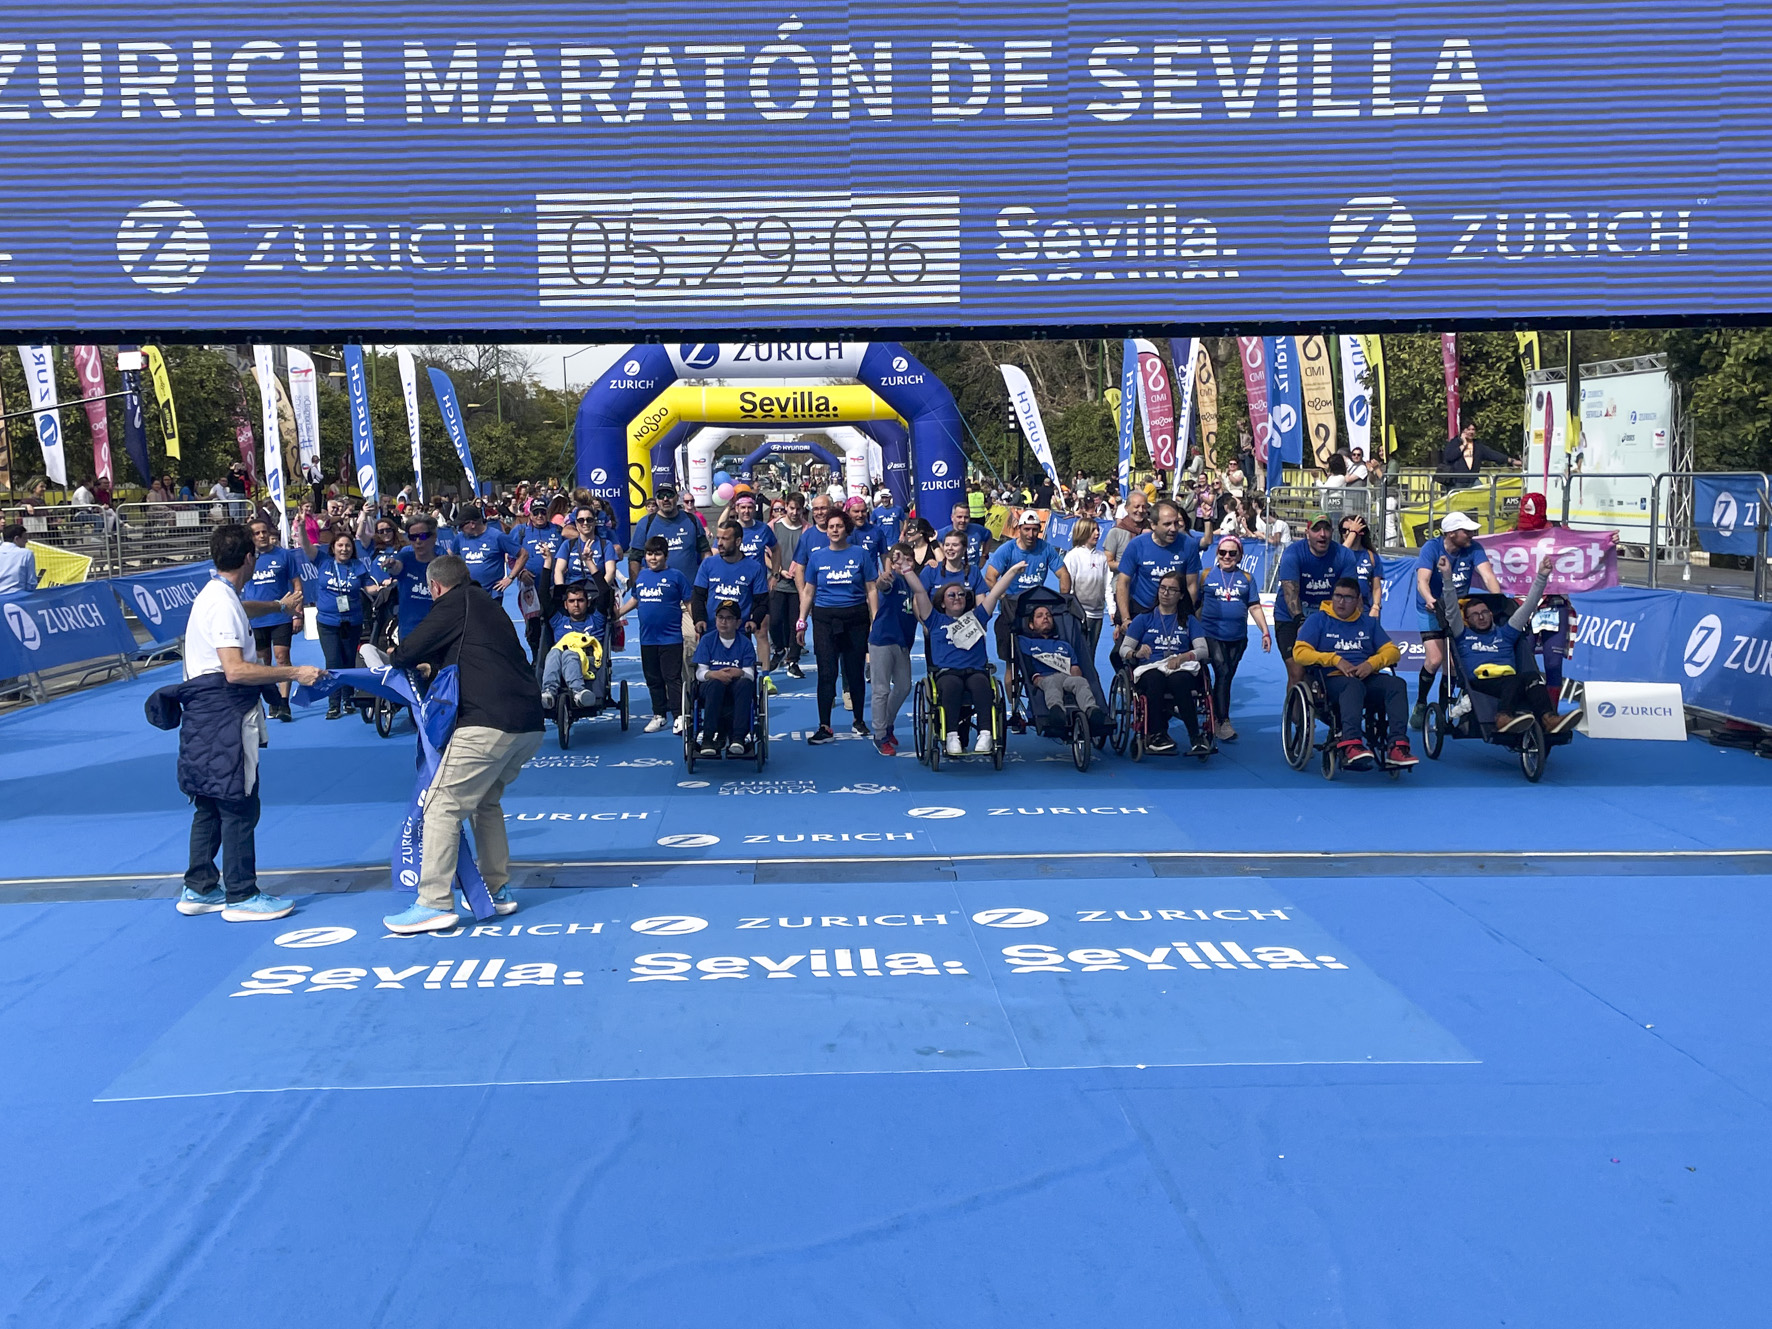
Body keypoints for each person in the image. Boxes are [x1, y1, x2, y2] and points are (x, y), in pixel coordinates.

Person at [160, 522, 319, 922]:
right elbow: (235, 670)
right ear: (250, 558)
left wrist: (278, 607)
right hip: (225, 714)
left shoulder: (215, 594)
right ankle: (241, 894)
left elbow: (239, 611)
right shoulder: (224, 602)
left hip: (203, 715)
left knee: (209, 802)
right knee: (239, 804)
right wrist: (294, 672)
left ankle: (199, 887)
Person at [383, 554, 545, 935]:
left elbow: (408, 650)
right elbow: (471, 654)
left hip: (486, 722)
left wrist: (389, 657)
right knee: (485, 802)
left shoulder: (453, 603)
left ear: (436, 587)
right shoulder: (487, 604)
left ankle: (434, 903)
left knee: (441, 807)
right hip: (529, 724)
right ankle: (496, 888)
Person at [1439, 553, 1579, 734]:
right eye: (1475, 614)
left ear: (1491, 614)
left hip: (1510, 681)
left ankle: (1549, 719)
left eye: (1485, 612)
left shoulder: (1505, 632)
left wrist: (1542, 576)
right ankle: (1502, 718)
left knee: (1533, 679)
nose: (1481, 617)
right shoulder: (1462, 633)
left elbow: (1529, 605)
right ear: (1467, 619)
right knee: (1513, 680)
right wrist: (1447, 577)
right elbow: (1451, 609)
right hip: (1481, 682)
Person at [1291, 576, 1417, 770]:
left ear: (1358, 601)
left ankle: (1397, 746)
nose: (1341, 602)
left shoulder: (1368, 623)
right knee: (1352, 686)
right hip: (1331, 681)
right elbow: (1299, 653)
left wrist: (1371, 663)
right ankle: (1351, 744)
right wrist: (1334, 659)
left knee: (1396, 684)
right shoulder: (1318, 620)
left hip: (1366, 676)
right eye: (1338, 596)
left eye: (1348, 597)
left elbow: (1392, 651)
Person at [910, 558, 1025, 756]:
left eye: (961, 594)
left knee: (982, 685)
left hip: (976, 671)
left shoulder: (977, 616)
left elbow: (996, 592)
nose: (957, 597)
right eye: (951, 595)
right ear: (942, 602)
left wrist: (1012, 572)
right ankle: (952, 735)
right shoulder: (935, 619)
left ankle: (985, 734)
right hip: (947, 673)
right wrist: (906, 570)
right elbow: (920, 591)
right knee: (951, 686)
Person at [796, 509, 879, 744]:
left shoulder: (860, 555)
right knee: (827, 673)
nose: (834, 530)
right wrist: (801, 620)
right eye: (831, 526)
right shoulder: (818, 557)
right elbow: (809, 590)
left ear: (847, 529)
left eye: (839, 526)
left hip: (855, 618)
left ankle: (859, 720)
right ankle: (824, 726)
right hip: (824, 620)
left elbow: (871, 589)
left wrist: (876, 620)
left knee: (854, 673)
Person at [1412, 510, 1502, 727]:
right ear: (1451, 533)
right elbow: (1422, 580)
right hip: (1430, 608)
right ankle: (1421, 702)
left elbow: (1488, 576)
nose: (1472, 534)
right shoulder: (1432, 548)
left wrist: (1497, 601)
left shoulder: (1474, 548)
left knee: (1451, 666)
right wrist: (1430, 599)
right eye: (1467, 531)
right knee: (1434, 660)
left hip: (1457, 608)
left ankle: (1443, 712)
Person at [1122, 570, 1211, 756]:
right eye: (1162, 588)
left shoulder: (1189, 621)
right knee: (1155, 679)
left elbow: (1203, 650)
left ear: (1180, 595)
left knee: (1179, 681)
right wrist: (1137, 652)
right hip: (1151, 667)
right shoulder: (1144, 619)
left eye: (1172, 590)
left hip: (1180, 667)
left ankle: (1196, 738)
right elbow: (1124, 649)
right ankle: (1157, 734)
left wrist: (1183, 657)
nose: (1165, 593)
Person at [302, 527, 387, 719]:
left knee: (348, 662)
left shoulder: (358, 566)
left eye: (348, 545)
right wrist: (299, 528)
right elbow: (306, 546)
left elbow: (369, 587)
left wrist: (382, 586)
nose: (344, 549)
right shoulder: (323, 561)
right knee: (333, 662)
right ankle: (334, 704)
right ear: (333, 548)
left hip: (352, 622)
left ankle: (348, 700)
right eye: (340, 545)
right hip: (327, 622)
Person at [985, 511, 1072, 700]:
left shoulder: (1046, 549)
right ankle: (1013, 706)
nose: (1031, 535)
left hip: (1036, 614)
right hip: (1012, 613)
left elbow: (1063, 574)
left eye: (1035, 530)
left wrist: (1064, 598)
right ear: (1019, 530)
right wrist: (1004, 597)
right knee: (1012, 664)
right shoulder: (1007, 550)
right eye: (1027, 530)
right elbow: (990, 577)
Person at [1197, 536, 1270, 741]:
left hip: (1237, 637)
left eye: (1232, 553)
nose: (1227, 557)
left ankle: (1216, 713)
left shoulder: (1247, 578)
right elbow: (1195, 605)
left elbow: (1254, 606)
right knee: (1222, 669)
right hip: (1211, 633)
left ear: (1239, 556)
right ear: (1217, 554)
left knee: (1226, 678)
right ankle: (1223, 721)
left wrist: (1265, 631)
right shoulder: (1206, 575)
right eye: (1222, 553)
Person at [1274, 515, 1359, 688]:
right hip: (1290, 617)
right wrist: (1301, 622)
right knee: (1297, 671)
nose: (1322, 534)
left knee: (1335, 668)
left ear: (1332, 532)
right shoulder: (1293, 553)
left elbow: (1350, 593)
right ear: (1307, 533)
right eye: (1316, 530)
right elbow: (1290, 593)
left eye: (1326, 529)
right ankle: (1294, 713)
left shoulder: (1344, 555)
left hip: (1325, 616)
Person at [618, 536, 691, 734]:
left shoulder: (677, 576)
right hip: (647, 639)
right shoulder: (641, 577)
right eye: (649, 554)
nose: (653, 558)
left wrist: (697, 625)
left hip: (671, 639)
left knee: (672, 678)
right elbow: (635, 599)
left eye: (657, 554)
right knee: (653, 679)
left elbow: (689, 602)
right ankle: (659, 715)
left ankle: (679, 716)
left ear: (665, 556)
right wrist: (618, 613)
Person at [693, 520, 772, 668]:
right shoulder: (708, 564)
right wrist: (699, 619)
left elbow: (762, 601)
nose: (719, 543)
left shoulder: (754, 567)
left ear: (738, 541)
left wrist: (754, 621)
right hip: (711, 632)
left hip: (740, 633)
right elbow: (698, 596)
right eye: (718, 538)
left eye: (725, 539)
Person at [1114, 499, 1200, 631]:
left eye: (1176, 523)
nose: (1173, 529)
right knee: (1123, 651)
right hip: (1141, 609)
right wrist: (1125, 619)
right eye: (1167, 524)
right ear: (1153, 525)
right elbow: (1123, 583)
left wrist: (1186, 614)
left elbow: (1192, 585)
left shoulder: (1189, 545)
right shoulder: (1137, 545)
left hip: (1175, 612)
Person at [245, 518, 301, 721]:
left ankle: (284, 703)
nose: (261, 536)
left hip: (281, 616)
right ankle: (272, 701)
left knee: (282, 657)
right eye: (257, 533)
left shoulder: (284, 555)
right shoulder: (248, 559)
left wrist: (297, 613)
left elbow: (297, 585)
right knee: (263, 662)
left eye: (264, 532)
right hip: (256, 619)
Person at [868, 543, 921, 756]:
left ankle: (887, 723)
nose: (904, 564)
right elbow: (882, 585)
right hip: (883, 639)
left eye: (908, 560)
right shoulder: (894, 580)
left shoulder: (914, 584)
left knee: (904, 686)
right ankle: (880, 735)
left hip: (903, 642)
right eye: (900, 560)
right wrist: (883, 579)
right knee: (881, 689)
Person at [1019, 604, 1104, 735]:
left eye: (1048, 615)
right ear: (1031, 625)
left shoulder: (1064, 645)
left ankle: (1091, 710)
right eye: (1040, 616)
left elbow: (1075, 666)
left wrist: (1076, 675)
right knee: (1052, 682)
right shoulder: (1026, 642)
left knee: (1081, 682)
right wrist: (1034, 677)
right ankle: (1056, 711)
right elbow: (1026, 663)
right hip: (1044, 678)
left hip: (1067, 677)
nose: (1045, 618)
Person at [691, 599, 759, 758]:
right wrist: (715, 674)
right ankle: (708, 738)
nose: (723, 622)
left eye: (729, 618)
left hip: (736, 686)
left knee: (745, 684)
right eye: (720, 617)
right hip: (711, 686)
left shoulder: (745, 643)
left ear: (738, 622)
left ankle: (738, 739)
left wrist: (738, 672)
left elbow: (749, 673)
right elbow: (700, 673)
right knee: (715, 684)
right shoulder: (707, 640)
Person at [510, 502, 564, 669]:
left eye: (542, 512)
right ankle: (536, 659)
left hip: (554, 586)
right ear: (530, 514)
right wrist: (520, 573)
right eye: (536, 513)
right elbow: (510, 557)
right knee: (533, 625)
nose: (539, 516)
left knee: (555, 621)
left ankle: (556, 659)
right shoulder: (519, 532)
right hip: (530, 588)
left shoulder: (557, 530)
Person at [539, 582, 607, 712]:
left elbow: (604, 593)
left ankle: (578, 692)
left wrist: (590, 563)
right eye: (571, 601)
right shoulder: (559, 621)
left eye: (580, 600)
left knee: (568, 653)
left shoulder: (595, 621)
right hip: (560, 661)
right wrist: (548, 563)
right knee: (554, 652)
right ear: (566, 604)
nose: (576, 605)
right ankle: (548, 692)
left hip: (588, 662)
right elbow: (543, 595)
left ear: (587, 603)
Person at [380, 514, 443, 636]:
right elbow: (397, 567)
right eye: (413, 537)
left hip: (437, 631)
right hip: (409, 632)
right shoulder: (404, 558)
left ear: (434, 537)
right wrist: (391, 565)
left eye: (423, 536)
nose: (418, 541)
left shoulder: (442, 563)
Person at [768, 492, 807, 676]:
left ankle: (793, 660)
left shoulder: (807, 529)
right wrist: (779, 570)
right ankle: (779, 649)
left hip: (798, 585)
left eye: (798, 509)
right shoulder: (774, 526)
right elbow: (765, 553)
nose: (794, 512)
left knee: (795, 623)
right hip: (778, 581)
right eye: (791, 508)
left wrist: (797, 570)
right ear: (786, 508)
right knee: (775, 620)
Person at [1062, 517, 1111, 654]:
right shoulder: (1073, 556)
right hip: (1080, 614)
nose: (1097, 533)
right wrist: (1073, 612)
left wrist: (1111, 609)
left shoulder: (1102, 557)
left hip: (1097, 614)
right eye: (1093, 530)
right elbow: (1069, 587)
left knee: (1091, 651)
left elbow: (1107, 584)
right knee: (1078, 652)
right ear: (1083, 532)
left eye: (1097, 529)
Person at [451, 505, 524, 596]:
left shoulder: (497, 536)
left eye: (461, 525)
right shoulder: (460, 537)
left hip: (491, 594)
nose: (460, 529)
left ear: (472, 524)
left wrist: (510, 577)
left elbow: (523, 554)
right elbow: (449, 555)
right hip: (467, 593)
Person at [1439, 421, 1518, 490]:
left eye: (1473, 430)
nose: (1471, 432)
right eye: (1468, 429)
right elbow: (1448, 456)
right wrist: (1464, 445)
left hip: (1473, 480)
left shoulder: (1478, 446)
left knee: (1483, 494)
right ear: (1463, 431)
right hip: (1457, 482)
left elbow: (1493, 454)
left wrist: (1511, 460)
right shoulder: (1454, 443)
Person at [921, 531, 988, 602]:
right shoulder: (931, 570)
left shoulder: (973, 571)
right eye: (947, 545)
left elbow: (981, 603)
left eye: (955, 545)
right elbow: (918, 599)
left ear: (964, 549)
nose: (950, 548)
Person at [1339, 513, 1383, 612]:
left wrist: (1376, 607)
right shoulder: (1337, 553)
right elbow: (1341, 555)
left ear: (1361, 532)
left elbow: (1376, 587)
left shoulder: (1371, 556)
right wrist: (1353, 532)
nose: (1346, 533)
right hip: (1341, 608)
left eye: (1349, 530)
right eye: (1343, 530)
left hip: (1364, 610)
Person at [1102, 489, 1149, 577]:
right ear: (1126, 508)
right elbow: (1108, 562)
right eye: (1136, 506)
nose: (1141, 510)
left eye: (1144, 507)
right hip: (1122, 582)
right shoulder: (1116, 532)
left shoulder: (1152, 530)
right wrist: (1130, 565)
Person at [935, 501, 990, 571]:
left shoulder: (978, 530)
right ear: (952, 517)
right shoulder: (941, 534)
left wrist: (984, 556)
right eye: (959, 517)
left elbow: (989, 536)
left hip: (973, 573)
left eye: (966, 517)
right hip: (952, 574)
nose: (963, 520)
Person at [0, 524, 38, 595]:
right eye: (24, 538)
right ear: (16, 539)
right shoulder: (26, 553)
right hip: (17, 597)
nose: (26, 541)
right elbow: (31, 582)